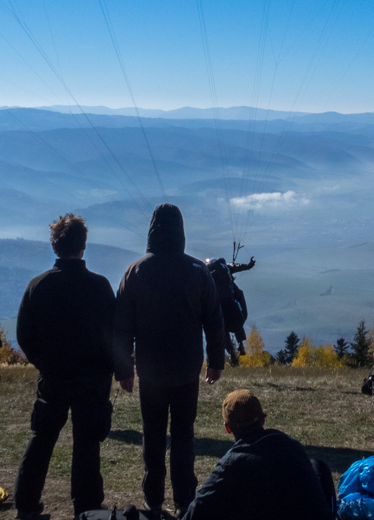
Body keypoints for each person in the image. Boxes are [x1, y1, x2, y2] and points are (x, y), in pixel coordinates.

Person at [115, 204, 226, 517]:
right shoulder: (197, 271)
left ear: (152, 230)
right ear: (181, 231)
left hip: (149, 371)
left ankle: (154, 501)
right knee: (183, 435)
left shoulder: (135, 271)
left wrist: (124, 368)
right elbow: (214, 321)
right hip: (187, 369)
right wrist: (215, 360)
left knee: (152, 435)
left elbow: (121, 325)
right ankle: (184, 501)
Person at [14, 214, 116, 519]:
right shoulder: (99, 286)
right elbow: (114, 335)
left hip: (54, 377)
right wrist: (112, 368)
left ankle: (26, 504)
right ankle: (86, 507)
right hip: (92, 380)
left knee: (42, 439)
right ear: (83, 246)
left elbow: (23, 335)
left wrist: (44, 363)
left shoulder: (38, 286)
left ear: (55, 245)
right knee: (87, 444)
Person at [181, 390, 334, 520]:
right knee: (317, 465)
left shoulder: (232, 462)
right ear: (263, 419)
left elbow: (197, 511)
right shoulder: (291, 444)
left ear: (228, 428)